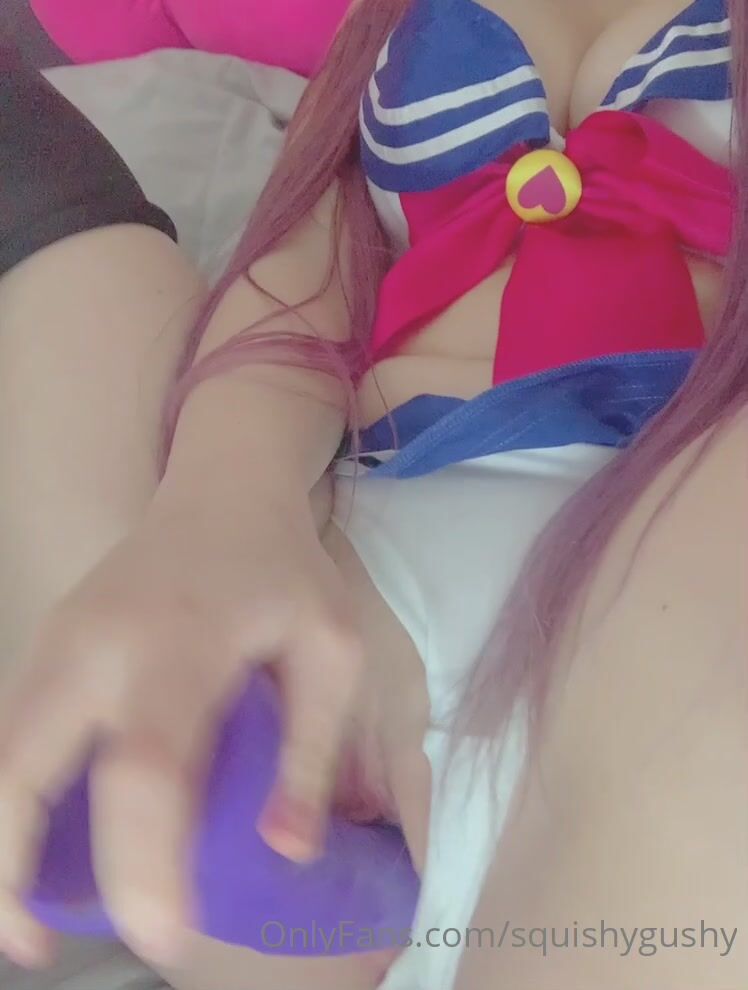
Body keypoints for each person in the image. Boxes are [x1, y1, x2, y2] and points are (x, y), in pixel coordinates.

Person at [0, 1, 745, 988]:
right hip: (389, 507)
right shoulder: (393, 17)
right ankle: (281, 848)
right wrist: (225, 504)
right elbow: (302, 274)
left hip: (672, 513)